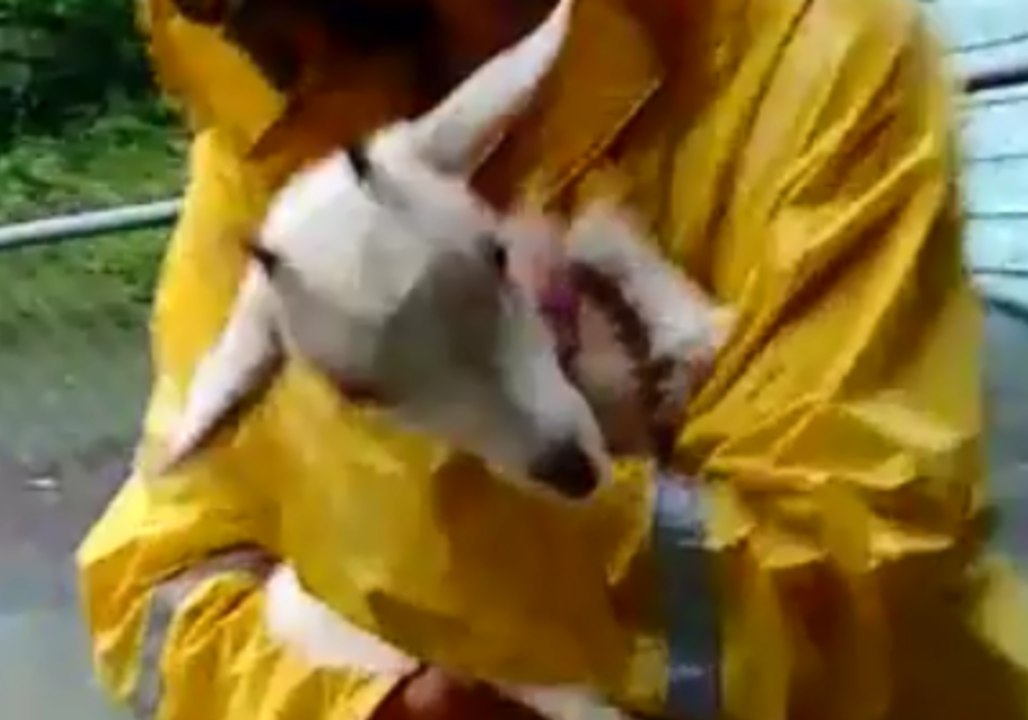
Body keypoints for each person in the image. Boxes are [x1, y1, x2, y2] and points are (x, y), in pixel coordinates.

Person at [77, 0, 1028, 718]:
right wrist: (387, 703)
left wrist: (488, 538)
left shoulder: (811, 58)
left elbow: (860, 598)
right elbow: (168, 570)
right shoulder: (267, 143)